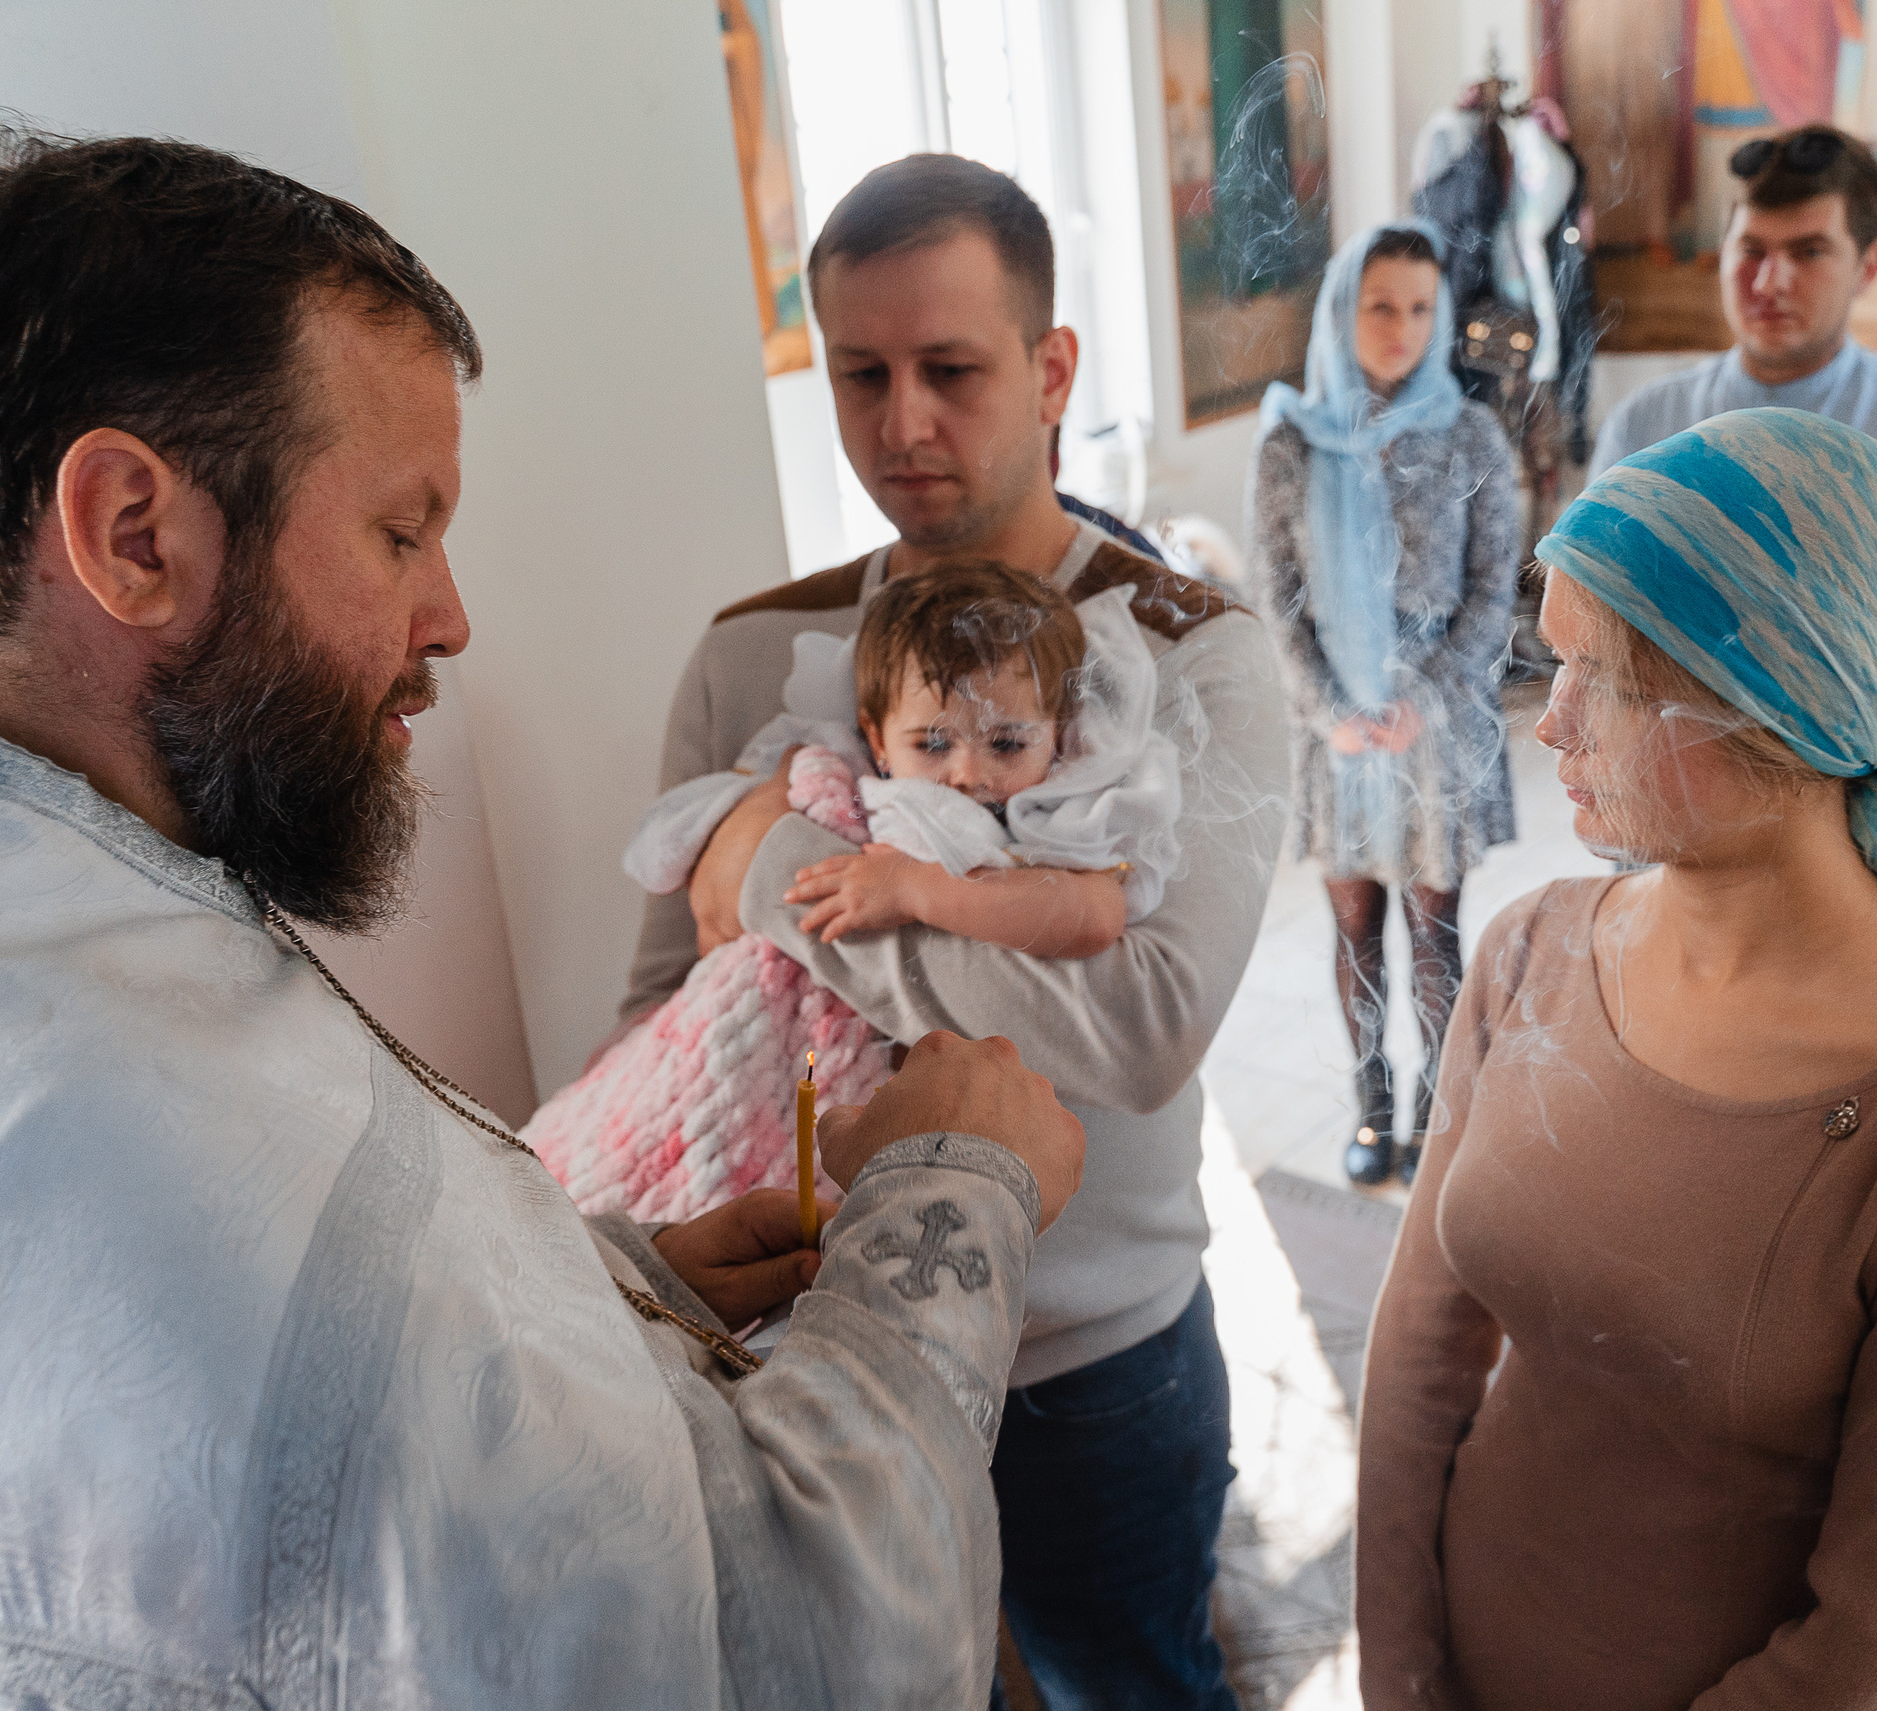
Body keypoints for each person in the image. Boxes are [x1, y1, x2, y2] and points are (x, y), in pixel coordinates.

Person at [0, 128, 1090, 1707]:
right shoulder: (185, 1172)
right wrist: (954, 1182)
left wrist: (603, 1296)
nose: (448, 617)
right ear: (130, 531)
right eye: (400, 529)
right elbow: (818, 1644)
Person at [628, 154, 1288, 1708]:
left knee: (1132, 1681)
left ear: (1052, 369)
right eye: (861, 373)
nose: (901, 422)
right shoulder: (751, 650)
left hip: (1089, 1355)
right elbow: (658, 1002)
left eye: (951, 369)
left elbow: (1142, 1024)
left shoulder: (1199, 659)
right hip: (825, 1342)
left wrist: (777, 852)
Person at [1357, 409, 1877, 1709]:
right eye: (1554, 662)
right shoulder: (1533, 948)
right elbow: (1421, 1351)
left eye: (1614, 682)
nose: (1552, 724)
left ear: (1788, 713)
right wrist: (1404, 1673)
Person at [531, 560, 1181, 1222]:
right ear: (877, 736)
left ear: (1059, 732)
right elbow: (710, 900)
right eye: (932, 742)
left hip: (907, 1122)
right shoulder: (835, 774)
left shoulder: (1054, 819)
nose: (967, 773)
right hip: (751, 1040)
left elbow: (1094, 915)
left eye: (1008, 742)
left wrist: (920, 890)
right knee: (604, 1181)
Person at [1249, 218, 1519, 1188]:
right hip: (1335, 736)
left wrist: (1429, 699)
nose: (1401, 327)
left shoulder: (1471, 434)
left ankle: (1442, 1115)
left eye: (1418, 307)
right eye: (1379, 306)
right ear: (1341, 312)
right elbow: (1275, 597)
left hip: (1433, 733)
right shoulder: (1288, 444)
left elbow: (1495, 594)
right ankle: (1373, 1105)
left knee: (1434, 931)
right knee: (1354, 928)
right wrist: (1328, 710)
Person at [1591, 125, 1877, 580]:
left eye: (1808, 252)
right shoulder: (1644, 423)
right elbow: (1591, 614)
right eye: (1751, 251)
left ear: (1869, 267)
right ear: (1723, 255)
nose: (1768, 284)